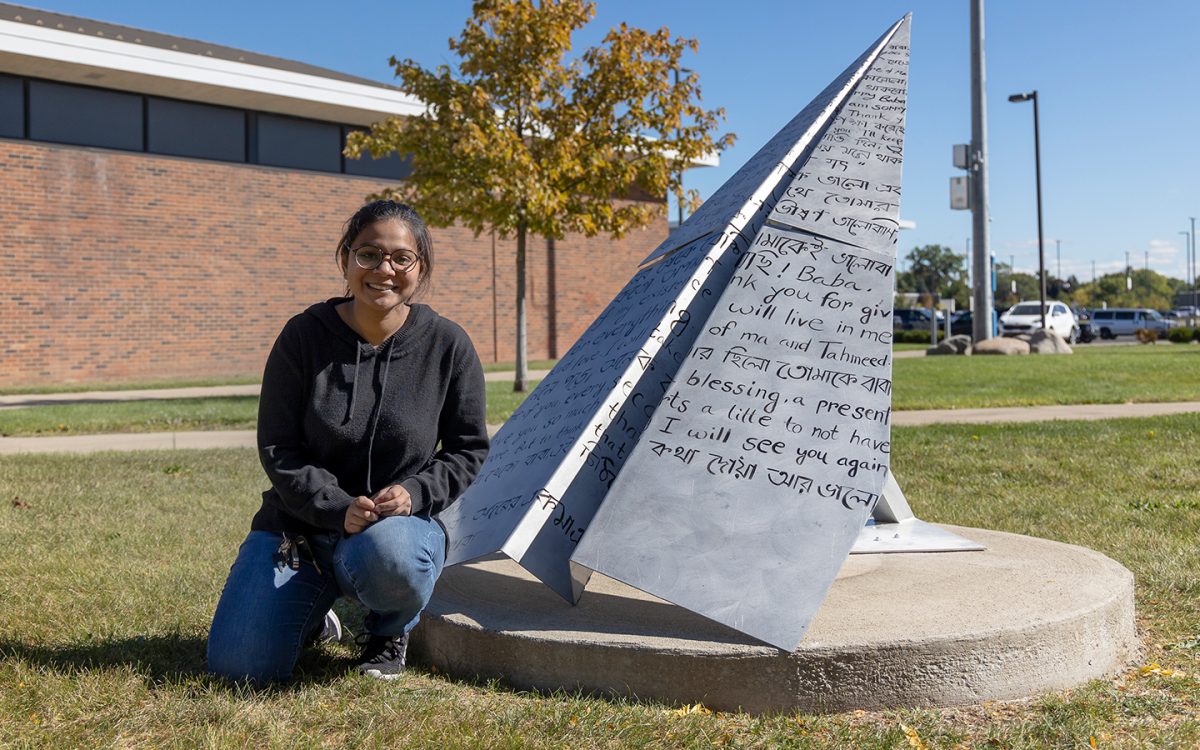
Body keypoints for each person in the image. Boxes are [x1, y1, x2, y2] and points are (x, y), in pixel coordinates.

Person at [207, 200, 489, 683]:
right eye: (368, 254)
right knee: (241, 668)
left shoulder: (448, 344)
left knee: (390, 555)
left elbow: (468, 448)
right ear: (345, 259)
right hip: (300, 527)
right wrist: (335, 507)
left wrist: (416, 492)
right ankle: (313, 611)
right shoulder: (303, 337)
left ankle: (388, 628)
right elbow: (279, 446)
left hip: (396, 530)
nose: (385, 269)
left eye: (402, 258)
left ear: (420, 268)